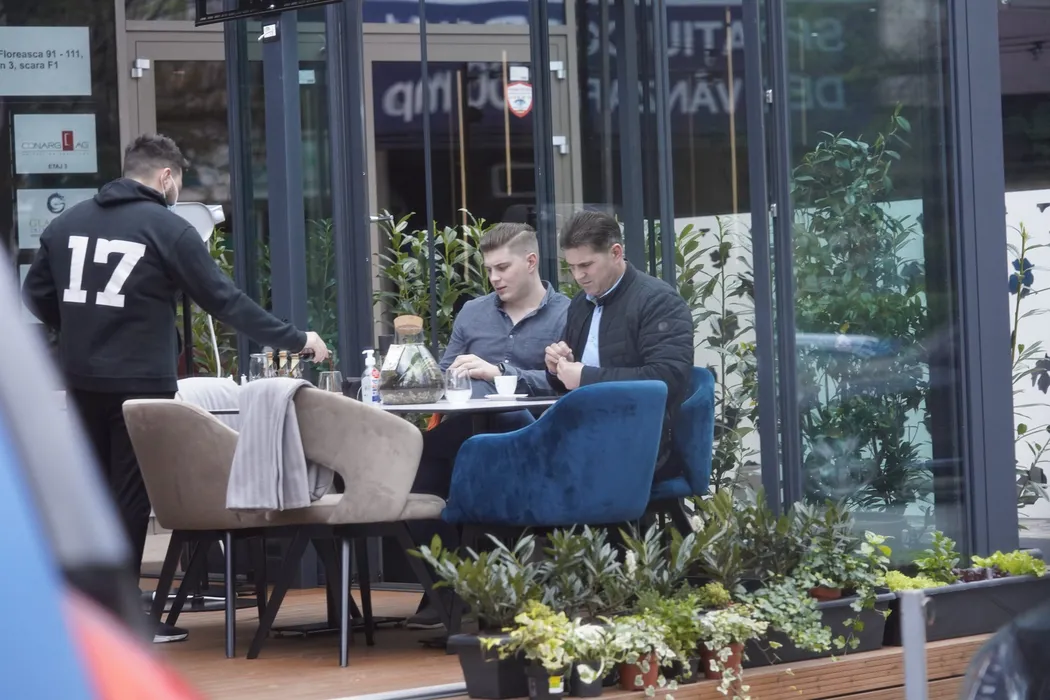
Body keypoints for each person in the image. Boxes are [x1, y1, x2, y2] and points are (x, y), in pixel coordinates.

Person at [21, 134, 329, 644]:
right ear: (166, 177)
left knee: (95, 494)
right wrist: (296, 339)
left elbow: (36, 294)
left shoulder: (66, 223)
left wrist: (79, 328)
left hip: (81, 379)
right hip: (141, 383)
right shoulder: (168, 228)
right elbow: (224, 300)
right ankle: (122, 618)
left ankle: (93, 609)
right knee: (129, 498)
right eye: (178, 183)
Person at [407, 222, 569, 629]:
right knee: (413, 465)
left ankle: (470, 592)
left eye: (502, 268)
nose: (495, 278)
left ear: (530, 262)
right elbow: (442, 377)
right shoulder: (473, 312)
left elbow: (568, 381)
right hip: (466, 435)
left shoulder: (568, 314)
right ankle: (446, 587)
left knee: (490, 429)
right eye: (489, 270)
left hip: (534, 437)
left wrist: (499, 373)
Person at [545, 210, 693, 482]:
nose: (578, 276)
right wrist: (557, 368)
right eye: (572, 267)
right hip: (584, 431)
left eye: (586, 265)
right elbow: (570, 381)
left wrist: (585, 377)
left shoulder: (658, 301)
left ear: (616, 253)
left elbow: (667, 378)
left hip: (639, 438)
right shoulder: (580, 303)